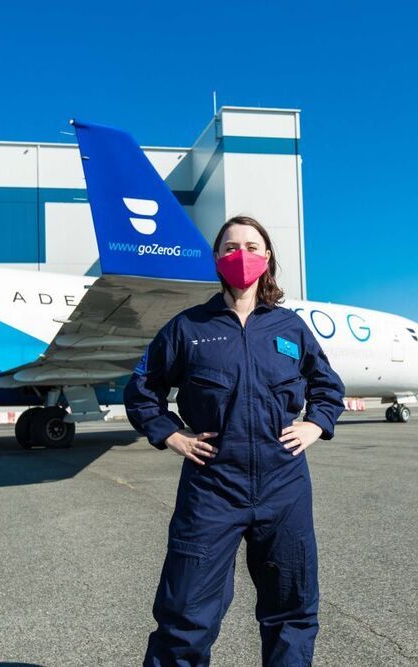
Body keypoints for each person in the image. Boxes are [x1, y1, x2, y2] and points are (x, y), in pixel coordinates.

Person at [124, 215, 346, 666]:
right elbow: (142, 390)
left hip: (283, 485)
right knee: (185, 615)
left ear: (266, 258)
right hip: (212, 487)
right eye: (229, 248)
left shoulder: (289, 328)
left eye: (251, 247)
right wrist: (172, 435)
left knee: (292, 611)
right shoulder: (188, 328)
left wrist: (315, 424)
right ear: (216, 259)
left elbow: (327, 385)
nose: (240, 256)